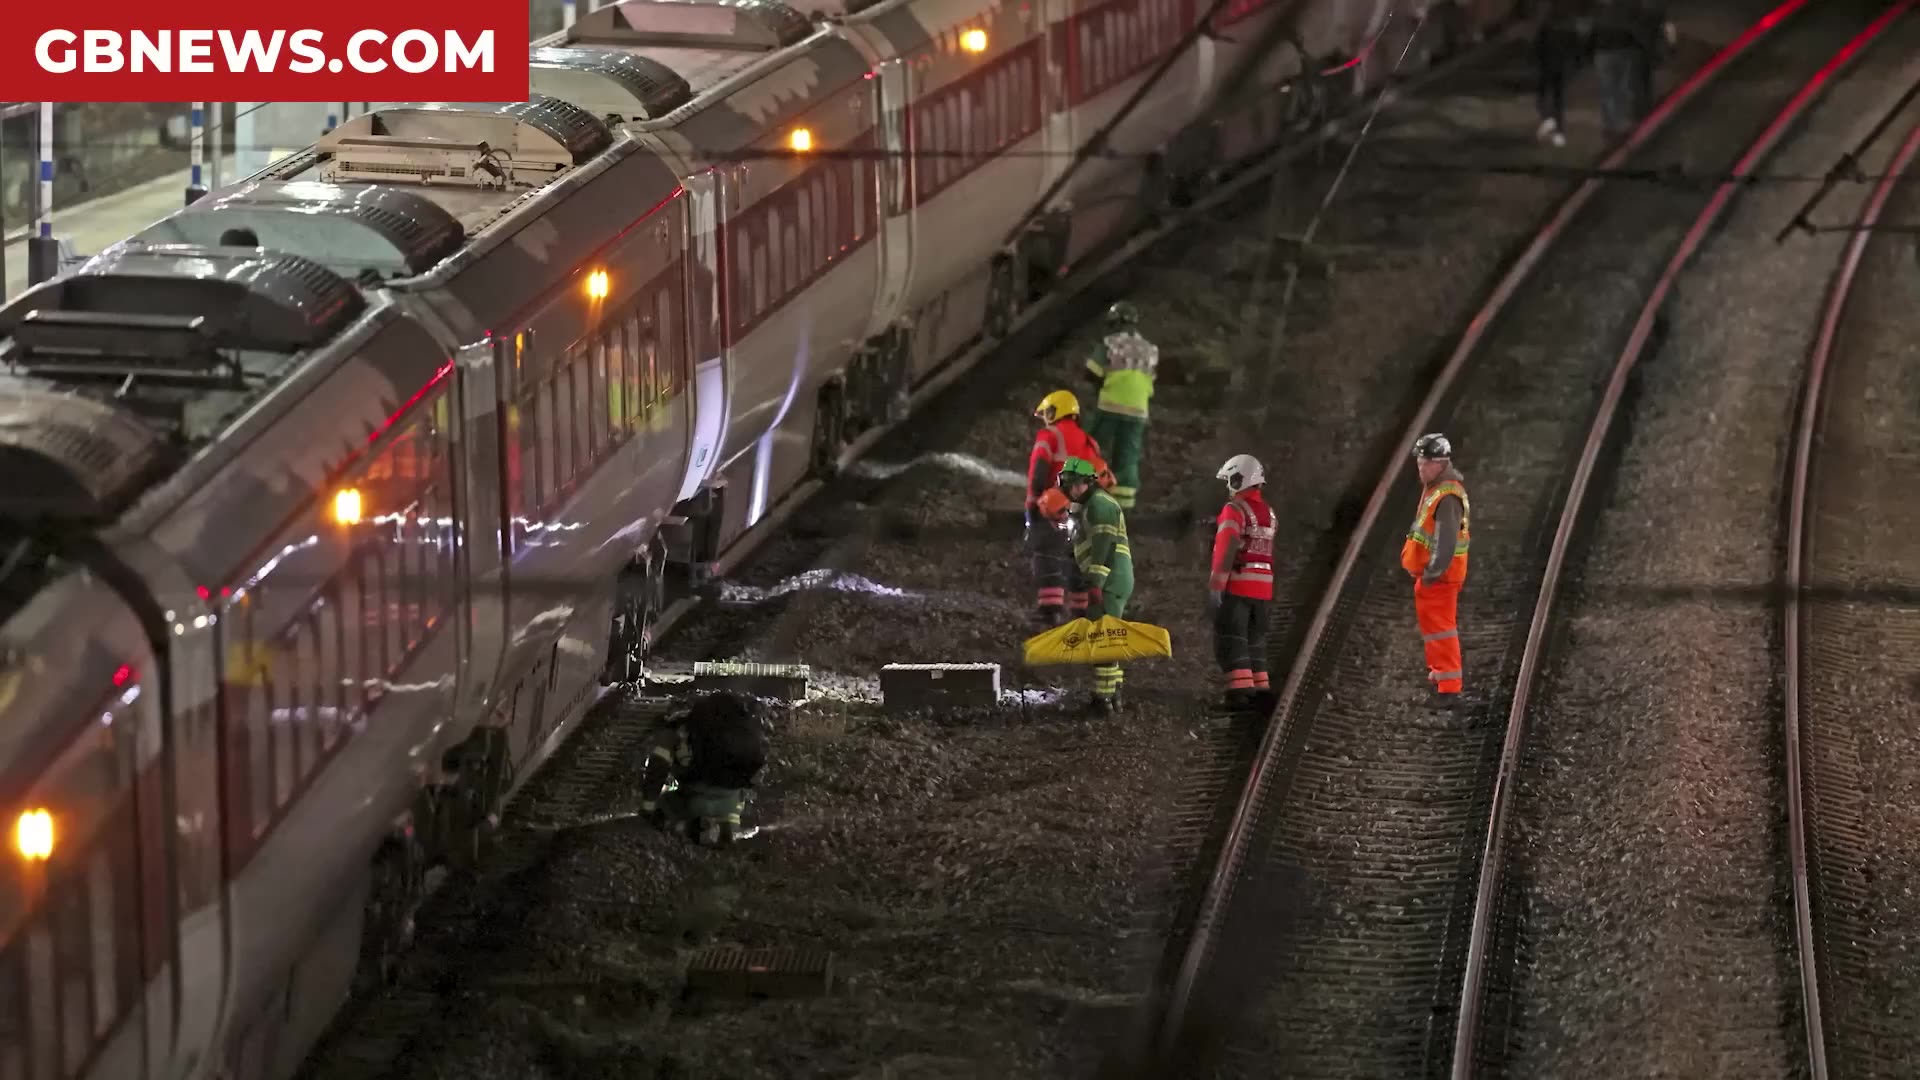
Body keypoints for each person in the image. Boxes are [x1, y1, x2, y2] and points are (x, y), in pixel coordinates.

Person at [638, 691, 769, 847]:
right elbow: (756, 770)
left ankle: (689, 828)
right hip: (731, 801)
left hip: (694, 797)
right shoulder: (742, 729)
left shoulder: (677, 731)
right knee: (732, 805)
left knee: (665, 807)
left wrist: (648, 808)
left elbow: (658, 768)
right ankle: (728, 827)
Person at [1027, 390, 1109, 629]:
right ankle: (1081, 613)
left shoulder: (1048, 436)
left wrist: (1033, 504)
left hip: (1054, 508)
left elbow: (1038, 472)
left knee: (1047, 554)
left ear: (1055, 412)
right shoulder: (1089, 442)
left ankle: (1049, 613)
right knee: (1079, 561)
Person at [1060, 456, 1133, 713]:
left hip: (1110, 580)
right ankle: (1113, 694)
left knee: (1103, 638)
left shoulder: (1100, 505)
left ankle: (1104, 700)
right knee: (1106, 636)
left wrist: (1096, 583)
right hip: (1109, 579)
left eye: (1072, 484)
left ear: (1086, 482)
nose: (1069, 490)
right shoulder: (1089, 506)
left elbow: (1104, 546)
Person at [1401, 433, 1470, 701]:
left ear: (1441, 463)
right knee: (1433, 627)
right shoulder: (1436, 489)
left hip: (1441, 577)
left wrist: (1432, 573)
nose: (1421, 467)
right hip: (1433, 576)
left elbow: (1446, 542)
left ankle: (1449, 685)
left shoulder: (1448, 495)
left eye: (1426, 463)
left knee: (1442, 628)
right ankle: (1440, 671)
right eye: (1419, 462)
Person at [1208, 454, 1276, 713]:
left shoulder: (1234, 509)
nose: (1228, 487)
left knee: (1231, 639)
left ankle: (1239, 694)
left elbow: (1227, 547)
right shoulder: (1268, 513)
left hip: (1239, 585)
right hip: (1264, 590)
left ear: (1239, 479)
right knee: (1254, 640)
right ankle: (1260, 688)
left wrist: (1217, 585)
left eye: (1230, 481)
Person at [1082, 301, 1158, 510]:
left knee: (1089, 448)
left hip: (1111, 405)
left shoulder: (1111, 343)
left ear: (1116, 323)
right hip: (1139, 411)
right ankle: (1123, 506)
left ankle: (1076, 492)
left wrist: (1101, 387)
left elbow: (1092, 372)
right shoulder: (1150, 349)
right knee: (1128, 457)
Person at [1591, 0, 1673, 138]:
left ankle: (1616, 125)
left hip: (1613, 52)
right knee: (1619, 89)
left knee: (1614, 90)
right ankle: (1619, 125)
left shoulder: (1613, 8)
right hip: (1620, 51)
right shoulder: (1628, 7)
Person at [1534, 0, 1586, 147]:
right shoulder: (1570, 27)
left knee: (1542, 97)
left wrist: (1537, 61)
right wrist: (1576, 64)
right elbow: (1577, 49)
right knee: (1558, 100)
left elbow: (1538, 46)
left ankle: (1548, 119)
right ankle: (1559, 133)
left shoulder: (1547, 26)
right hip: (1562, 68)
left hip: (1547, 66)